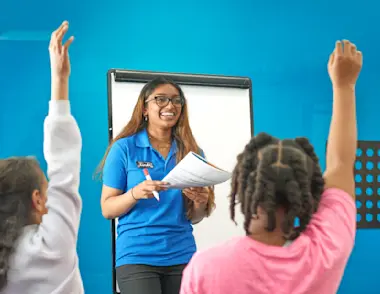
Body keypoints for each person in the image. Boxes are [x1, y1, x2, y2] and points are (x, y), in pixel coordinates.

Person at [180, 39, 361, 294]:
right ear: (308, 195)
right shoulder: (325, 251)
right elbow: (341, 164)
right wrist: (345, 86)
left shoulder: (206, 268)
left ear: (242, 189)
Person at [96, 76, 216, 294]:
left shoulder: (193, 153)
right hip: (137, 257)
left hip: (182, 255)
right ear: (144, 108)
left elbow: (195, 217)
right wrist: (134, 193)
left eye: (176, 100)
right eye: (160, 99)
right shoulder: (124, 148)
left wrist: (200, 202)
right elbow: (107, 209)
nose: (170, 105)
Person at [0, 21, 84, 293]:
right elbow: (64, 164)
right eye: (47, 191)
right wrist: (59, 80)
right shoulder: (52, 247)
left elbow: (63, 165)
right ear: (37, 199)